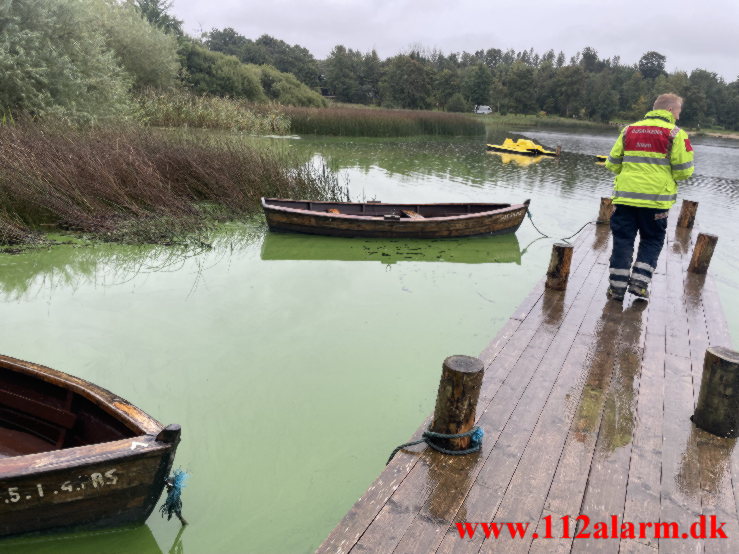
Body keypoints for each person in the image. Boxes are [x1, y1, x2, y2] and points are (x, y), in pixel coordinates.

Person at [604, 93, 694, 301]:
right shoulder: (676, 134)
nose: (679, 116)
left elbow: (612, 163)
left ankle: (616, 288)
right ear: (670, 110)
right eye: (678, 111)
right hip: (656, 201)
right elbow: (684, 171)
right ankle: (639, 283)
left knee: (623, 240)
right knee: (652, 240)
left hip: (625, 199)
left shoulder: (629, 130)